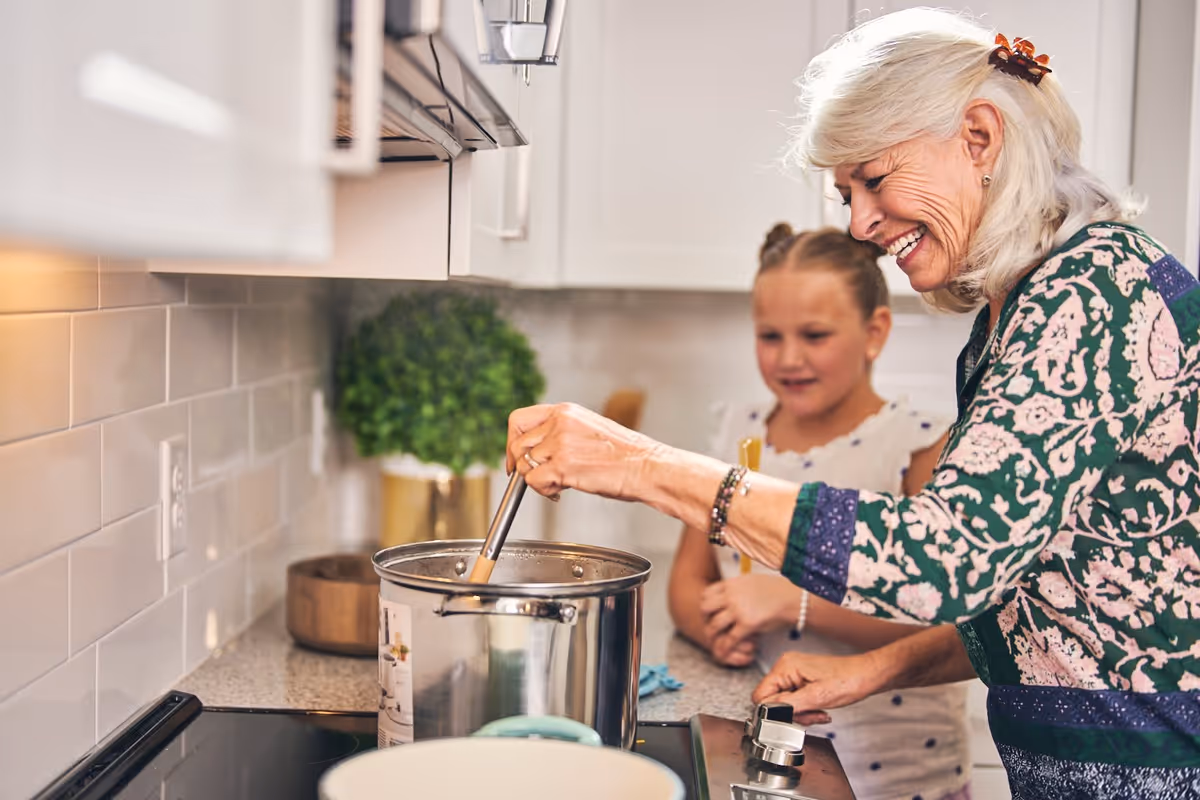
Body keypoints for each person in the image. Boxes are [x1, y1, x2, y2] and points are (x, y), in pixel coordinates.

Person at [505, 8, 1200, 797]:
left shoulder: (1095, 291)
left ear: (979, 138)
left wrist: (637, 463)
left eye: (873, 179)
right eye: (846, 193)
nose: (861, 225)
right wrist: (870, 670)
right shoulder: (1015, 316)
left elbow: (944, 559)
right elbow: (1023, 594)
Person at [668, 223, 971, 800]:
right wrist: (711, 629)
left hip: (901, 776)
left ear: (874, 331)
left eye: (814, 335)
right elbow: (690, 576)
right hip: (772, 771)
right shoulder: (737, 433)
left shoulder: (917, 447)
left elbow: (943, 621)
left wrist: (793, 602)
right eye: (769, 336)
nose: (789, 358)